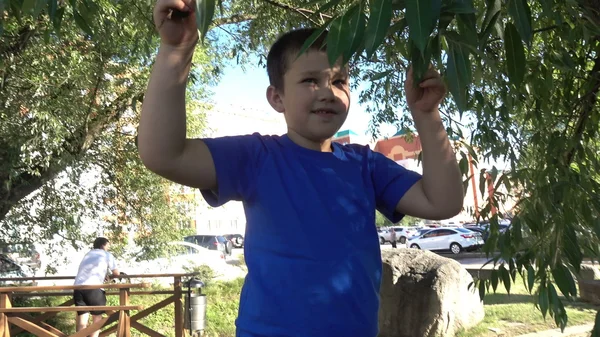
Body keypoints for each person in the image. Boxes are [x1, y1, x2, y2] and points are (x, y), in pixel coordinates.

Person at [138, 1, 464, 336]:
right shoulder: (257, 157)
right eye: (310, 79)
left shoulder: (366, 165)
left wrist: (426, 115)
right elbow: (163, 154)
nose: (328, 92)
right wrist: (176, 49)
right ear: (276, 98)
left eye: (339, 81)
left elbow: (443, 202)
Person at [73, 237, 119, 337]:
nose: (108, 248)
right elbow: (116, 273)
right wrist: (109, 277)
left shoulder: (88, 254)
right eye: (108, 246)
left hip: (78, 288)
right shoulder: (107, 254)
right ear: (103, 245)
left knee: (82, 321)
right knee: (97, 320)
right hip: (93, 288)